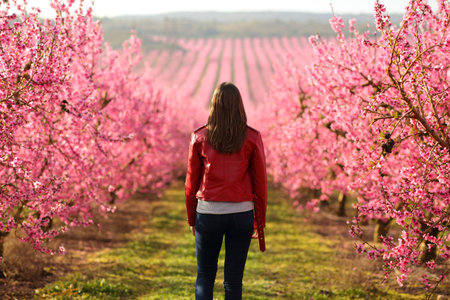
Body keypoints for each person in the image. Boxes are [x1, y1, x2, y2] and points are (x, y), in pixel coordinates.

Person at [185, 82, 267, 300]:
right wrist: (259, 220)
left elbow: (191, 184)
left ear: (214, 105)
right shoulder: (252, 137)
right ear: (239, 106)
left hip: (208, 213)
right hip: (242, 215)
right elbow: (260, 184)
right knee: (233, 280)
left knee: (205, 275)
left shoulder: (200, 136)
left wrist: (192, 218)